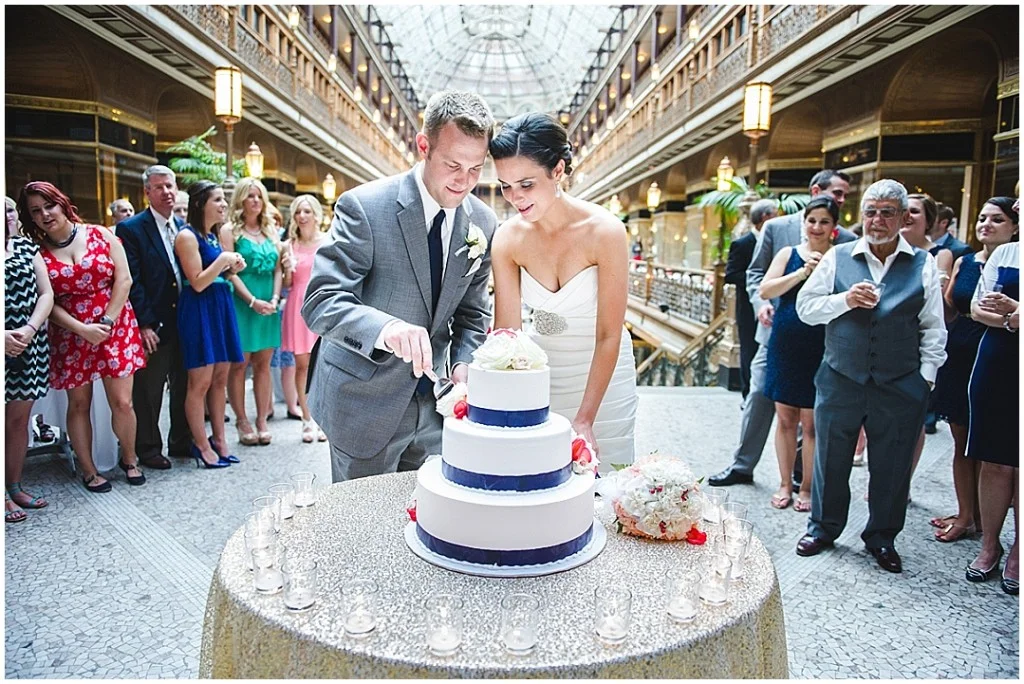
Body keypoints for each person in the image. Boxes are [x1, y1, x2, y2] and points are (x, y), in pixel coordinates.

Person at [302, 90, 496, 482]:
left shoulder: (483, 223)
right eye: (453, 164)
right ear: (423, 146)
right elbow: (321, 300)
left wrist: (463, 364)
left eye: (476, 168)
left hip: (435, 411)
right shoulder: (365, 207)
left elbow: (473, 315)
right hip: (362, 403)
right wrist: (386, 329)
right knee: (360, 526)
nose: (464, 181)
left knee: (426, 522)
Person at [793, 179, 946, 574]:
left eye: (887, 213)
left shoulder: (923, 264)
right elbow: (806, 308)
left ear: (903, 217)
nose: (878, 220)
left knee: (892, 464)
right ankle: (823, 528)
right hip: (840, 377)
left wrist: (923, 379)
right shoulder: (837, 257)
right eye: (871, 212)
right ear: (862, 216)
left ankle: (882, 536)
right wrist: (845, 300)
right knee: (830, 456)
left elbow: (933, 327)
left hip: (899, 383)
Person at [489, 112, 637, 465]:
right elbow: (508, 335)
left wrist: (585, 419)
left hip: (604, 378)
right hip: (545, 374)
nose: (515, 198)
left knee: (605, 479)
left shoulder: (606, 231)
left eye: (526, 184)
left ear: (557, 171)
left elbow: (608, 334)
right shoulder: (508, 238)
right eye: (505, 186)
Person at [708, 170, 857, 487]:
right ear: (816, 189)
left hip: (821, 339)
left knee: (811, 410)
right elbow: (755, 275)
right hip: (777, 332)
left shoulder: (847, 240)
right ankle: (742, 465)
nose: (842, 199)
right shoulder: (776, 228)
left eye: (845, 195)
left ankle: (801, 474)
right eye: (838, 192)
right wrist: (760, 304)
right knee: (760, 392)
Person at [19, 181, 149, 492]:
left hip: (115, 324)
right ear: (32, 219)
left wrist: (105, 322)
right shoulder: (39, 253)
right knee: (79, 404)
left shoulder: (102, 234)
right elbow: (46, 300)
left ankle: (130, 458)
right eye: (36, 211)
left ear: (62, 203)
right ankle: (89, 470)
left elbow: (125, 280)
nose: (45, 214)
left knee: (123, 401)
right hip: (70, 333)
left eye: (49, 205)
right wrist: (82, 329)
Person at [931, 197, 1017, 542]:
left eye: (997, 219)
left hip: (999, 351)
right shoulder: (965, 261)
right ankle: (966, 513)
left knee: (991, 443)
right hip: (961, 350)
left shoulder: (1012, 259)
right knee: (961, 439)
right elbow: (951, 307)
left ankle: (987, 519)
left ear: (1013, 226)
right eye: (982, 217)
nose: (987, 224)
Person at [760, 196, 838, 512]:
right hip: (786, 340)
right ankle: (784, 483)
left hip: (822, 343)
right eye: (812, 220)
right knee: (785, 417)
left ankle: (806, 487)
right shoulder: (788, 254)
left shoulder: (840, 256)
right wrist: (800, 274)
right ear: (804, 223)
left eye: (824, 221)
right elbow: (766, 290)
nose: (817, 227)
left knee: (812, 421)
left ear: (834, 227)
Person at [116, 165, 190, 470]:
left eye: (170, 186)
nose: (166, 192)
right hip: (153, 322)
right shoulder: (132, 229)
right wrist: (144, 323)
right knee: (149, 389)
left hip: (184, 321)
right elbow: (133, 280)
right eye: (159, 187)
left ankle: (181, 441)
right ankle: (148, 448)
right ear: (147, 192)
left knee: (183, 383)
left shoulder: (183, 227)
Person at [173, 181, 247, 468]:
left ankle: (220, 440)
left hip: (220, 307)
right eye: (217, 199)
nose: (224, 205)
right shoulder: (187, 236)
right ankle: (201, 445)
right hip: (199, 309)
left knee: (220, 380)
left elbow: (217, 272)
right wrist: (223, 261)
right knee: (200, 383)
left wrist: (231, 265)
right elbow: (198, 281)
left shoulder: (213, 236)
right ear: (200, 203)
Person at [966, 237, 1019, 594]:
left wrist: (1013, 309)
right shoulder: (1006, 253)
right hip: (998, 358)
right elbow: (978, 309)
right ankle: (990, 544)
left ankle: (1019, 551)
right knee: (994, 460)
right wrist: (1015, 321)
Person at [220, 178, 289, 446]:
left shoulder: (271, 231)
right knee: (239, 365)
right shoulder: (229, 231)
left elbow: (278, 269)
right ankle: (242, 420)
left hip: (268, 305)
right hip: (242, 303)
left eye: (259, 196)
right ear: (241, 200)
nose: (255, 201)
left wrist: (273, 298)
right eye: (250, 196)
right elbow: (228, 271)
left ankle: (262, 419)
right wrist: (251, 301)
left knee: (263, 364)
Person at [5, 196, 54, 521]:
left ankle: (14, 486)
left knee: (19, 421)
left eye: (8, 209)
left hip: (27, 342)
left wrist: (29, 328)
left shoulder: (27, 249)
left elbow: (46, 293)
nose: (5, 216)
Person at [281, 195, 327, 443]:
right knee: (302, 365)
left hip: (321, 304)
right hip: (297, 305)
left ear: (316, 215)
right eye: (298, 212)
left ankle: (323, 419)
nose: (302, 216)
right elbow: (287, 284)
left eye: (307, 211)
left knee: (323, 364)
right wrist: (287, 268)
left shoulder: (328, 241)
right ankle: (307, 419)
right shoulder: (288, 245)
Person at [725, 198, 778, 399]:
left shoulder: (776, 243)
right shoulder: (742, 243)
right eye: (774, 214)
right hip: (748, 307)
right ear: (765, 217)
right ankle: (748, 394)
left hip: (773, 305)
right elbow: (731, 274)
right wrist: (760, 281)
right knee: (749, 348)